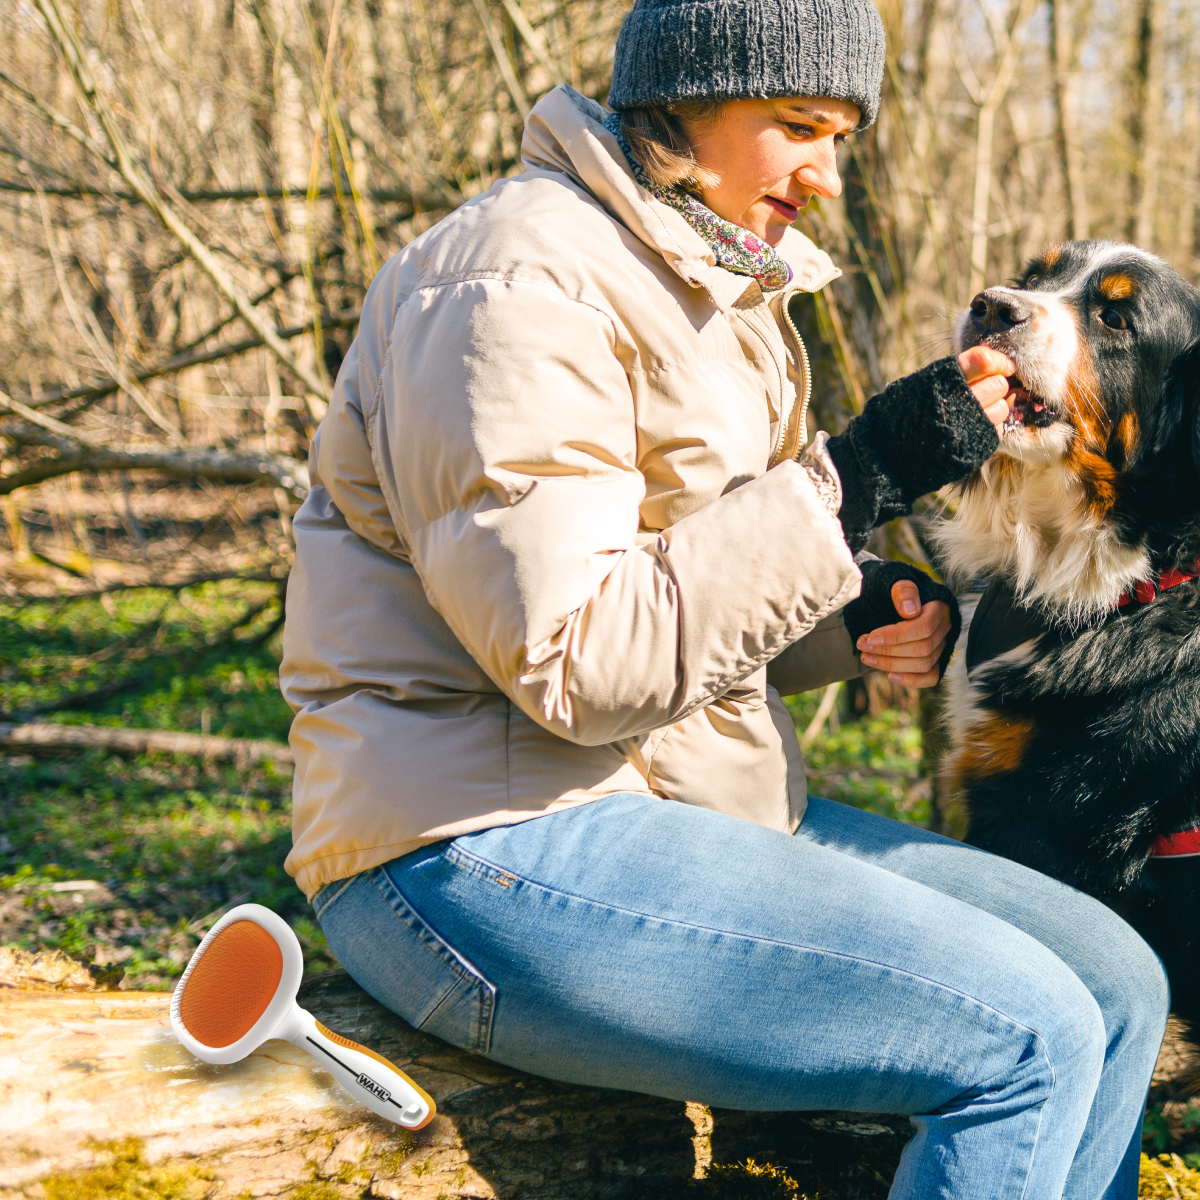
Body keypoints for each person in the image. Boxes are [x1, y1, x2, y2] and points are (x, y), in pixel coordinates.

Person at [279, 1, 1167, 1194]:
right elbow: (578, 661)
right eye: (800, 125)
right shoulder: (515, 282)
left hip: (680, 803)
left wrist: (843, 619)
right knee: (1026, 1036)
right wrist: (863, 475)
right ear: (683, 105)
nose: (829, 174)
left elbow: (680, 593)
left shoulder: (708, 284)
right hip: (476, 851)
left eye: (843, 134)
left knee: (1116, 982)